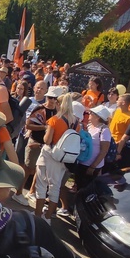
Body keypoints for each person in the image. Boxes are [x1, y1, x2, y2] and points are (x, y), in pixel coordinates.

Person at [34, 93, 76, 223]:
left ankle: (37, 216)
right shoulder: (76, 121)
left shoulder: (55, 120)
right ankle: (48, 218)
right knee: (55, 186)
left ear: (59, 104)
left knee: (41, 184)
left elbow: (47, 140)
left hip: (49, 153)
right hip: (63, 157)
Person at [74, 105, 111, 191]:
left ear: (97, 117)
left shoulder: (104, 130)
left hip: (92, 165)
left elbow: (104, 151)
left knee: (88, 188)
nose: (89, 114)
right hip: (82, 162)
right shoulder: (90, 126)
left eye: (91, 113)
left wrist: (93, 167)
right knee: (79, 186)